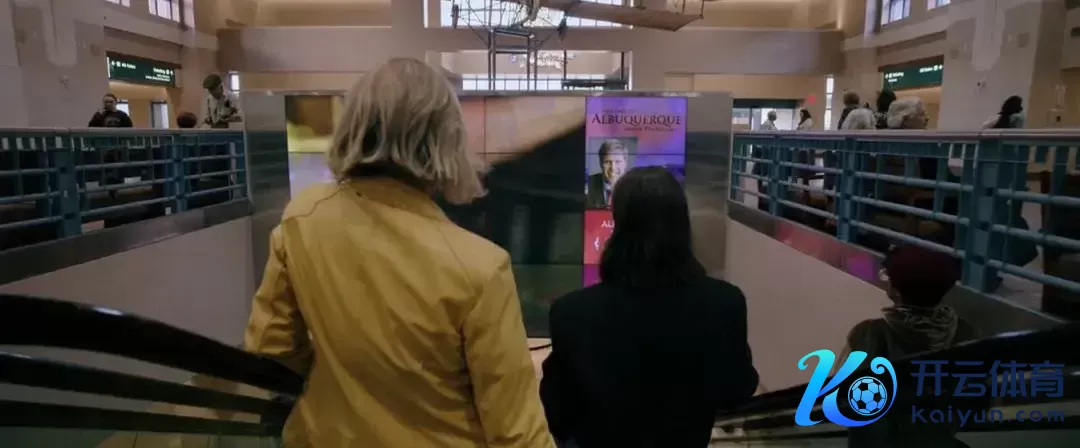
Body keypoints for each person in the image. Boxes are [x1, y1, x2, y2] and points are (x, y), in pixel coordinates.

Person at [243, 58, 553, 448]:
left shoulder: (303, 218)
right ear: (446, 140)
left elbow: (271, 347)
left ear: (355, 125)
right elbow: (517, 432)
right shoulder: (481, 268)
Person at [541, 166, 759, 448]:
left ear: (618, 226)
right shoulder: (725, 303)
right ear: (683, 223)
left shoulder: (571, 313)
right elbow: (737, 391)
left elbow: (558, 417)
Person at [843, 245, 981, 448]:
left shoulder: (869, 335)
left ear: (896, 291)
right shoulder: (968, 334)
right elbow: (978, 403)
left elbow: (845, 400)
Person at [585, 140, 629, 208]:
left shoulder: (635, 188)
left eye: (618, 162)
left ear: (625, 163)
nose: (613, 168)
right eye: (607, 162)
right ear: (600, 163)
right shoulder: (587, 183)